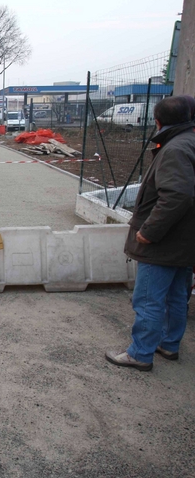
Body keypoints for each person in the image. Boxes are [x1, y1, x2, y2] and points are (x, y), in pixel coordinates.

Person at [105, 96, 195, 372]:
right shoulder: (188, 142)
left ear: (157, 121)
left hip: (163, 241)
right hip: (184, 239)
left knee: (148, 299)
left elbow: (177, 195)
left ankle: (140, 353)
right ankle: (169, 343)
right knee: (177, 295)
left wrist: (149, 231)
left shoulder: (174, 149)